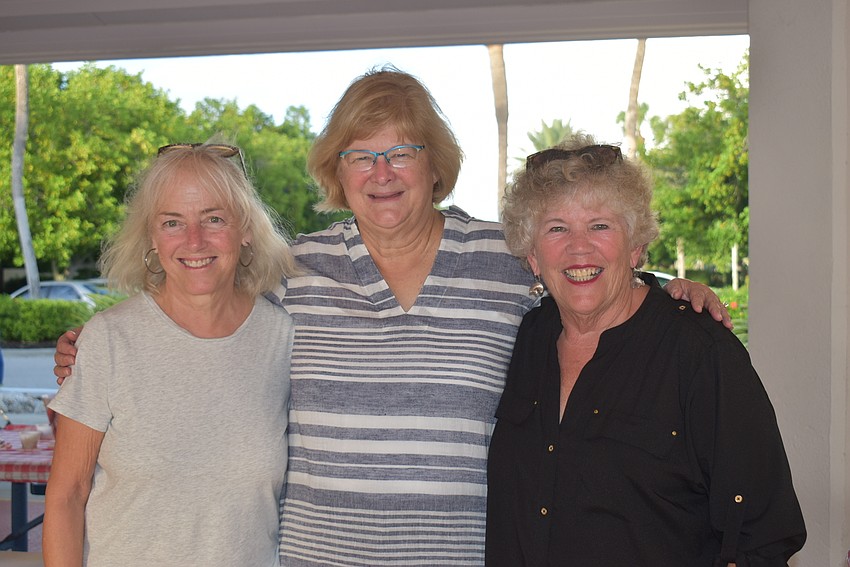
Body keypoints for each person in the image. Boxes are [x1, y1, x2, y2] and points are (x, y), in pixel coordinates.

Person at [53, 68, 730, 566]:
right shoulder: (295, 270)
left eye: (401, 150)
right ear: (336, 170)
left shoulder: (500, 258)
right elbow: (200, 317)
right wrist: (96, 352)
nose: (381, 171)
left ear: (435, 166)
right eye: (360, 154)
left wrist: (670, 290)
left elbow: (587, 277)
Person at [485, 135, 806, 566]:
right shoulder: (527, 338)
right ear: (533, 257)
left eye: (600, 225)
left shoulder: (700, 352)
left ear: (635, 245)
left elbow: (764, 536)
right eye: (556, 228)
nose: (579, 247)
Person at [43, 143, 298, 567]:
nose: (194, 241)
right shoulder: (107, 341)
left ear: (246, 229)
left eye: (214, 218)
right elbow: (66, 496)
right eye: (172, 222)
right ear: (152, 237)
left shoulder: (284, 339)